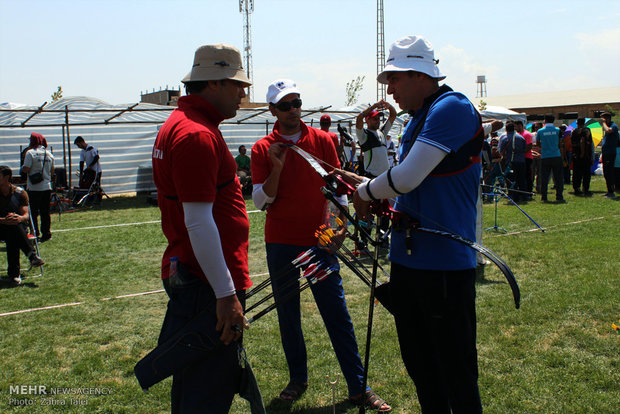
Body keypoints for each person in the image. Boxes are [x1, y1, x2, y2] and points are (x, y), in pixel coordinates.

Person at [337, 35, 486, 413]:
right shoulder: (419, 116)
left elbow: (407, 177)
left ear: (420, 75)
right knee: (423, 370)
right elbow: (407, 186)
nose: (389, 88)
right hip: (410, 264)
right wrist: (378, 195)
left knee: (455, 374)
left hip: (445, 267)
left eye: (395, 79)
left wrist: (368, 192)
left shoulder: (451, 107)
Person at [251, 79, 391, 412]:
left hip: (319, 242)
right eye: (285, 105)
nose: (293, 110)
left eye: (296, 103)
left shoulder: (323, 140)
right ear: (273, 110)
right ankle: (297, 379)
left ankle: (359, 386)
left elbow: (338, 188)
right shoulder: (262, 149)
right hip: (281, 242)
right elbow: (260, 201)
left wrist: (338, 228)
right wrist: (276, 168)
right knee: (289, 316)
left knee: (336, 313)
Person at [151, 43, 253, 413]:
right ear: (213, 83)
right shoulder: (196, 134)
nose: (244, 94)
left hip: (197, 275)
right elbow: (198, 219)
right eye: (237, 85)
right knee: (209, 390)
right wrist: (226, 295)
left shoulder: (186, 125)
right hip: (206, 283)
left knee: (196, 381)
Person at [0, 166, 45, 286]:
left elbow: (25, 215)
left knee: (14, 228)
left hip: (15, 227)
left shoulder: (20, 193)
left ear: (7, 178)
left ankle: (14, 275)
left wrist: (19, 218)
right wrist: (4, 220)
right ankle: (31, 256)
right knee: (13, 228)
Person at [22, 132, 54, 242]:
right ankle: (47, 234)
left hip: (34, 188)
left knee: (33, 212)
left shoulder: (30, 153)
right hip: (47, 187)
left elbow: (26, 169)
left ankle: (35, 233)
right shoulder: (49, 154)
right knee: (45, 212)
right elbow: (52, 171)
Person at [356, 100, 396, 178]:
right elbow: (359, 118)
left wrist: (389, 106)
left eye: (378, 119)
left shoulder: (382, 132)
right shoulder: (364, 135)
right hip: (372, 177)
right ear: (367, 120)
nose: (378, 121)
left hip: (385, 177)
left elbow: (393, 115)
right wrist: (374, 106)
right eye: (375, 119)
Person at [537, 115, 565, 202]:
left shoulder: (540, 131)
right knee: (558, 177)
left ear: (545, 120)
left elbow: (538, 143)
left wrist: (544, 148)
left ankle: (544, 197)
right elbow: (561, 143)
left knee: (544, 178)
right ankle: (559, 196)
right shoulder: (557, 130)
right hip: (556, 155)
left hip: (545, 156)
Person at [498, 122, 527, 201]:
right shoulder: (521, 138)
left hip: (511, 162)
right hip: (521, 161)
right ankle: (523, 195)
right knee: (521, 179)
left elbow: (501, 151)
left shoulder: (504, 138)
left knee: (511, 180)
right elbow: (525, 148)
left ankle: (513, 196)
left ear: (506, 129)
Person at [570, 118, 593, 196]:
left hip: (575, 154)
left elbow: (572, 143)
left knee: (576, 173)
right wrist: (583, 153)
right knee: (586, 173)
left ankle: (576, 188)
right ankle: (585, 189)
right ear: (584, 122)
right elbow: (583, 141)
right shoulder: (586, 130)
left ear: (577, 123)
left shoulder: (574, 131)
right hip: (585, 155)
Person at [600, 112, 618, 198]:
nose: (602, 122)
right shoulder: (607, 127)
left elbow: (608, 130)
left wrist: (604, 123)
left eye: (603, 119)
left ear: (607, 119)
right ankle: (609, 191)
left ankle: (611, 192)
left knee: (609, 172)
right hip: (606, 153)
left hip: (610, 153)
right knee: (606, 172)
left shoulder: (613, 126)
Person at [515, 120, 534, 198]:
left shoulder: (527, 134)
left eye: (516, 126)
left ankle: (529, 191)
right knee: (521, 176)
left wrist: (521, 152)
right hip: (520, 158)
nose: (515, 128)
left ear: (520, 126)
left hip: (527, 157)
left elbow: (529, 146)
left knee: (527, 175)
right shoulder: (517, 134)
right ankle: (522, 191)